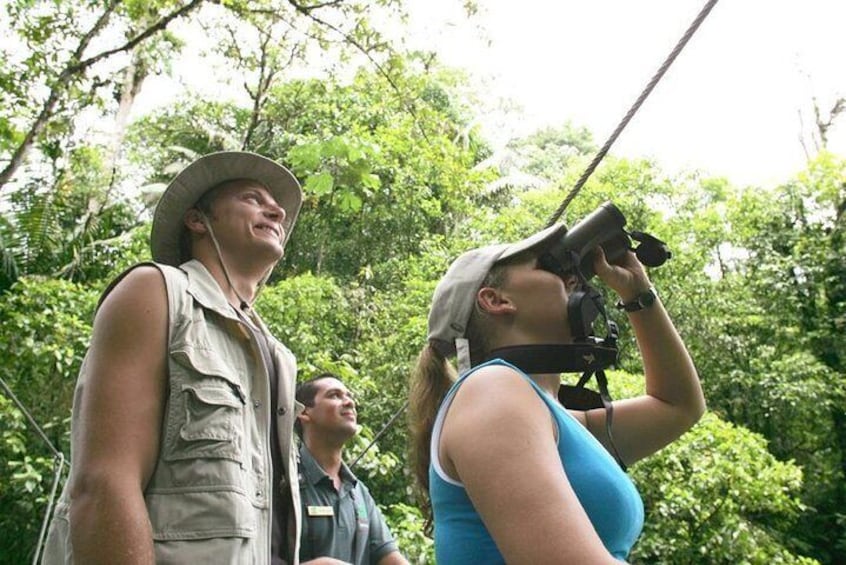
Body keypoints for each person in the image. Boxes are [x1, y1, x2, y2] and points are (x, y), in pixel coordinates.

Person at [43, 151, 306, 564]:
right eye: (252, 198)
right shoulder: (155, 291)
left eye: (276, 207)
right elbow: (104, 483)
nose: (275, 210)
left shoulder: (278, 356)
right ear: (198, 220)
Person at [408, 222, 706, 564]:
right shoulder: (491, 391)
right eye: (550, 266)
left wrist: (639, 294)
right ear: (496, 300)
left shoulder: (553, 417)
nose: (574, 278)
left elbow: (677, 406)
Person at [294, 374, 409, 565]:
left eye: (348, 395)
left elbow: (390, 558)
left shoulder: (358, 492)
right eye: (334, 395)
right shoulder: (285, 482)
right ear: (304, 413)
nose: (349, 402)